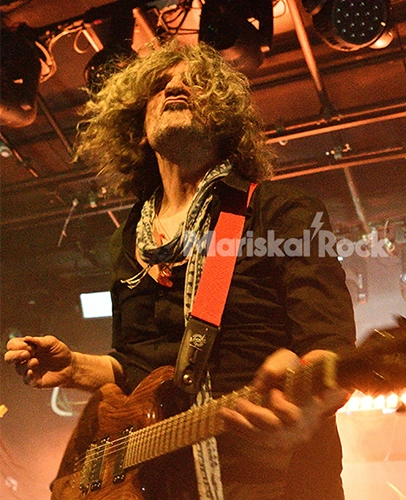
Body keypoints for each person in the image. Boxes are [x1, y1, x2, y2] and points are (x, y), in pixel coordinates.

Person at [4, 40, 356, 499]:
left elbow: (331, 348)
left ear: (224, 118)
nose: (175, 87)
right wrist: (75, 368)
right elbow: (136, 365)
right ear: (139, 128)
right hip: (168, 486)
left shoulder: (283, 211)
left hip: (281, 482)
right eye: (160, 85)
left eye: (196, 83)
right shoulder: (129, 237)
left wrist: (306, 390)